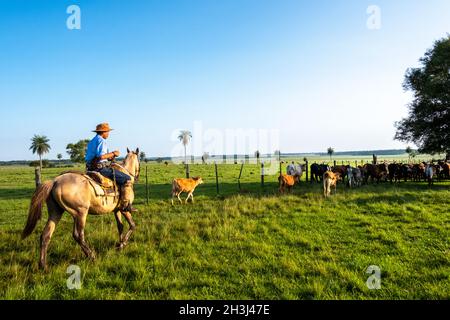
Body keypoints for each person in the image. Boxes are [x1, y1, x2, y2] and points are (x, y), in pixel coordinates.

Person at [85, 123, 137, 213]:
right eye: (107, 132)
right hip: (100, 169)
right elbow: (101, 157)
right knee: (127, 178)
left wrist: (109, 157)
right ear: (103, 132)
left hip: (90, 168)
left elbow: (98, 156)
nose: (108, 134)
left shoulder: (92, 141)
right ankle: (125, 205)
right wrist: (114, 153)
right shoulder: (101, 141)